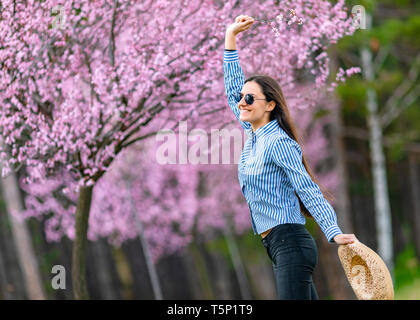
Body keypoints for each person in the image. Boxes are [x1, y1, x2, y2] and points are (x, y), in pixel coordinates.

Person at [223, 15, 357, 300]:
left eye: (250, 98)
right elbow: (233, 88)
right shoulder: (253, 133)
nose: (242, 102)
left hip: (291, 243)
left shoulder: (279, 143)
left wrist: (333, 232)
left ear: (270, 105)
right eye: (242, 98)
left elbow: (306, 188)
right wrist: (230, 38)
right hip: (276, 244)